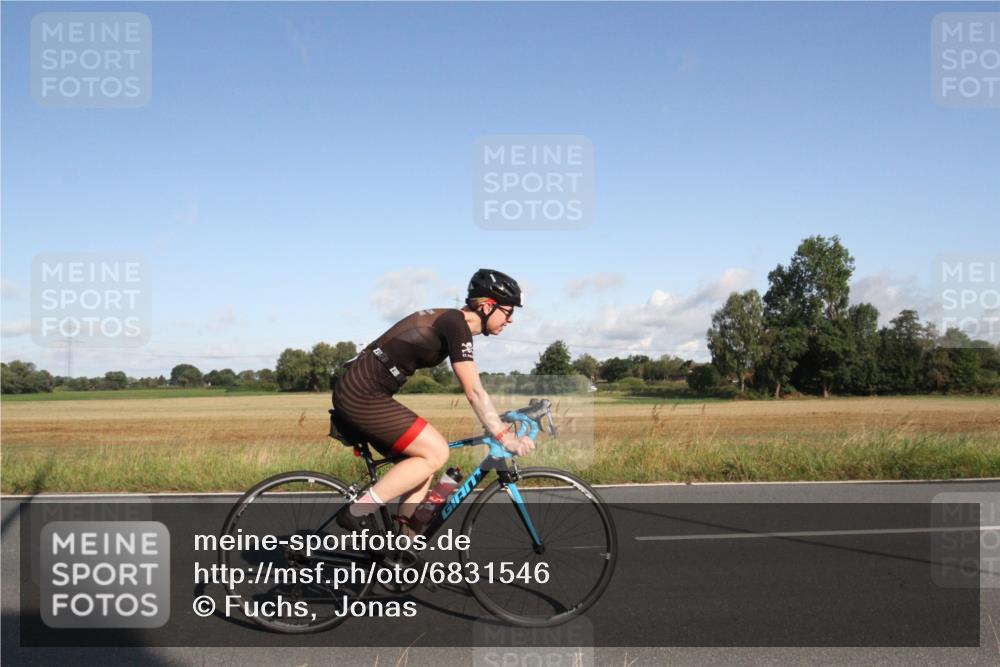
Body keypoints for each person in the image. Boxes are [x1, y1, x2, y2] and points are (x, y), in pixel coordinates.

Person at [333, 268, 535, 533]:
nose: (510, 320)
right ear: (487, 306)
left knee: (421, 466)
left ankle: (402, 547)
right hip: (361, 392)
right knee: (436, 451)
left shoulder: (452, 322)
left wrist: (498, 421)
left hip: (365, 390)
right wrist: (503, 435)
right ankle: (357, 511)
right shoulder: (455, 323)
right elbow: (473, 389)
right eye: (508, 312)